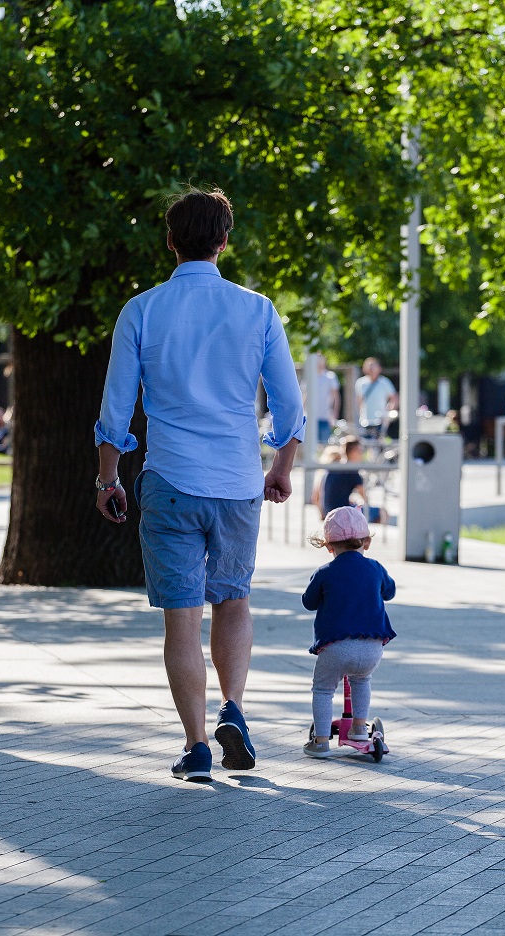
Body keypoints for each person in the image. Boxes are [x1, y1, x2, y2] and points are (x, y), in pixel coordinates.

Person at [94, 186, 304, 782]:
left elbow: (117, 407)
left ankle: (195, 747)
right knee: (233, 600)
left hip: (170, 479)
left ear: (170, 242)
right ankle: (232, 708)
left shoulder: (142, 310)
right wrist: (281, 469)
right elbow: (289, 408)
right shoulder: (257, 310)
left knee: (182, 616)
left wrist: (109, 476)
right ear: (224, 241)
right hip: (238, 481)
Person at [300, 507, 396, 758]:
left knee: (323, 689)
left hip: (336, 645)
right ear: (366, 542)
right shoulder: (376, 568)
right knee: (361, 680)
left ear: (329, 546)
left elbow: (308, 602)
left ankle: (320, 741)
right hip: (371, 646)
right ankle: (357, 729)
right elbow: (390, 592)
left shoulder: (324, 572)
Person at [315, 436, 369, 518]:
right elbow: (364, 496)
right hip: (342, 513)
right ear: (353, 452)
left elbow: (316, 496)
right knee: (382, 512)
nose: (362, 454)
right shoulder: (352, 471)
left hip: (328, 512)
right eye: (360, 451)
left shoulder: (334, 467)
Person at [354, 357, 397, 440]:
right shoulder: (361, 383)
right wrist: (360, 415)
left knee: (379, 443)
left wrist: (388, 413)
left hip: (380, 420)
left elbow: (394, 398)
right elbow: (359, 400)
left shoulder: (384, 382)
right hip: (365, 420)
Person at [307, 357, 341, 446]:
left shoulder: (330, 376)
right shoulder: (309, 376)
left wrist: (334, 413)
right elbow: (305, 395)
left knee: (325, 444)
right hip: (311, 417)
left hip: (326, 416)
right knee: (311, 445)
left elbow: (336, 397)